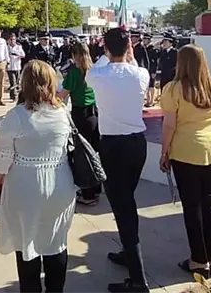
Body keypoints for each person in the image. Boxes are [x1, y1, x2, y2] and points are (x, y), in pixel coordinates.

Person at [0, 60, 75, 293]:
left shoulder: (16, 116)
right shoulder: (63, 112)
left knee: (26, 242)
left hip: (25, 185)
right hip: (60, 183)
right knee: (56, 241)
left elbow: (2, 159)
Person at [85, 28, 151, 293]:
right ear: (129, 48)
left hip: (113, 146)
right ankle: (128, 250)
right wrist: (126, 55)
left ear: (105, 49)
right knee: (127, 201)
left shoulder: (98, 75)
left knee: (123, 208)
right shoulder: (141, 74)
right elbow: (130, 67)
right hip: (137, 144)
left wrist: (108, 54)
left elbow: (97, 69)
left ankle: (138, 280)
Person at [159, 44, 211, 279]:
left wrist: (164, 152)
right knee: (206, 203)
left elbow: (169, 125)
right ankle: (210, 257)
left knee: (192, 206)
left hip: (186, 150)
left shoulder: (173, 89)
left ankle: (198, 260)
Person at [57, 42, 100, 205]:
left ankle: (88, 194)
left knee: (83, 154)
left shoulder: (74, 73)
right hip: (94, 113)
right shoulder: (94, 71)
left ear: (75, 56)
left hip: (80, 114)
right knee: (94, 151)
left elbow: (62, 95)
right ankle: (96, 187)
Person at [6, 35, 25, 102]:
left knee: (17, 82)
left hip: (17, 67)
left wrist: (17, 54)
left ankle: (12, 95)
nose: (12, 41)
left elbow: (23, 55)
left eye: (13, 39)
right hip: (10, 67)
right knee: (13, 82)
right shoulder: (6, 47)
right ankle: (14, 97)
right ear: (8, 40)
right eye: (11, 39)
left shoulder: (18, 47)